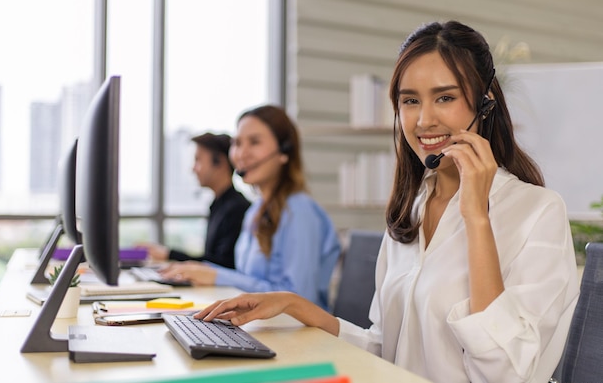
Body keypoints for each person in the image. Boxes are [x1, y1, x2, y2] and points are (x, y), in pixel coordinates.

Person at [192, 21, 580, 383]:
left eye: (445, 97)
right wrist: (293, 305)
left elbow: (504, 373)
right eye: (410, 101)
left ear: (485, 103)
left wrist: (477, 216)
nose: (424, 120)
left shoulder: (537, 212)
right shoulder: (411, 211)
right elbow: (385, 351)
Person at [160, 105, 341, 310]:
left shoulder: (299, 211)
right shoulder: (255, 211)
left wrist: (217, 276)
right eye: (237, 143)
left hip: (296, 333)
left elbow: (298, 298)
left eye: (254, 142)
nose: (241, 153)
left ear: (284, 150)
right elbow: (248, 279)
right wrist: (201, 270)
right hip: (263, 325)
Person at [136, 132, 250, 269]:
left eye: (198, 160)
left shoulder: (237, 208)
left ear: (220, 162)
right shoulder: (218, 205)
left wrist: (169, 254)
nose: (193, 169)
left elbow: (222, 264)